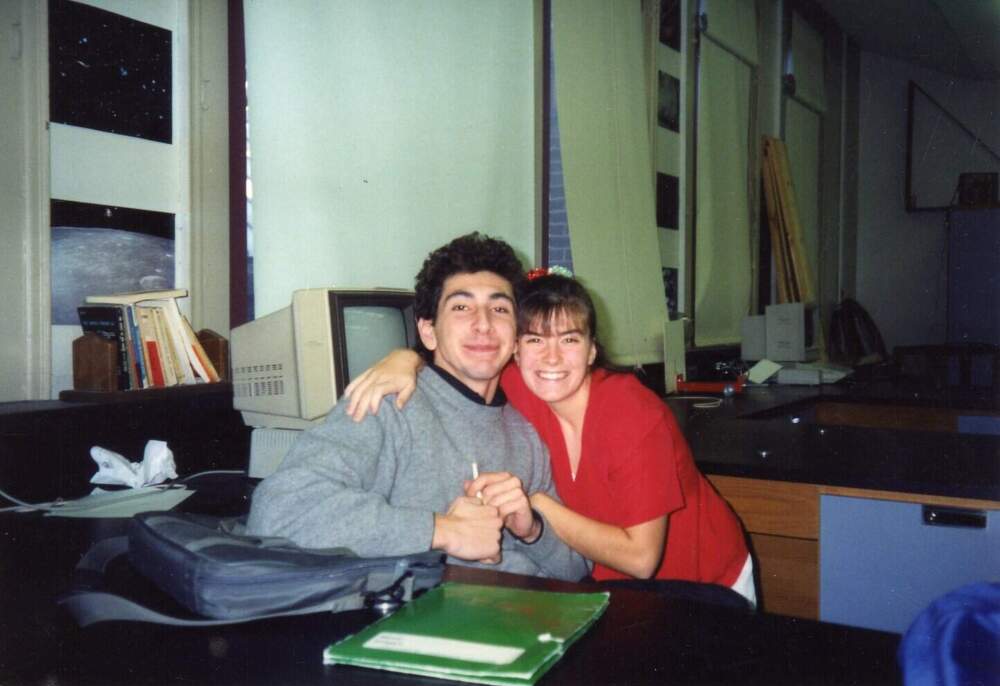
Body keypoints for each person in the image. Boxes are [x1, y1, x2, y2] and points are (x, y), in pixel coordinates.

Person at [346, 270, 756, 605]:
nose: (552, 357)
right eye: (535, 340)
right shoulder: (525, 384)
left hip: (705, 586)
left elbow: (641, 559)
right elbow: (461, 359)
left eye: (569, 339)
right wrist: (403, 358)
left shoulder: (632, 412)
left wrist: (538, 503)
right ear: (516, 350)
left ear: (592, 350)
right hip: (612, 592)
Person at [247, 235, 589, 582]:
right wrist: (443, 531)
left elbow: (577, 569)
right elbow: (277, 512)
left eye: (499, 309)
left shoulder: (525, 434)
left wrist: (532, 531)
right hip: (421, 610)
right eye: (461, 307)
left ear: (515, 334)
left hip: (522, 607)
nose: (483, 323)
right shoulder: (387, 404)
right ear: (428, 332)